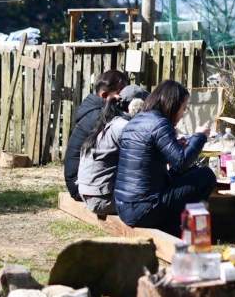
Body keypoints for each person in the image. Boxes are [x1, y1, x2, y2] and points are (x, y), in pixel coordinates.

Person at [114, 79, 215, 236]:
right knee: (206, 176)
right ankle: (191, 233)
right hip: (144, 208)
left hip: (124, 205)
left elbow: (149, 157)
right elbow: (181, 162)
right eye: (184, 108)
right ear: (173, 105)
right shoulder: (160, 123)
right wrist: (199, 136)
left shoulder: (136, 121)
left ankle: (178, 226)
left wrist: (178, 145)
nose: (183, 114)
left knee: (190, 173)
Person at [77, 84, 150, 217]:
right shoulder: (124, 127)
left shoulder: (111, 121)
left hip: (90, 193)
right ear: (137, 107)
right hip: (101, 199)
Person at [64, 69, 130, 200]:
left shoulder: (93, 109)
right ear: (104, 95)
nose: (124, 99)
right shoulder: (99, 115)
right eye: (120, 94)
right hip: (82, 186)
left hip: (83, 182)